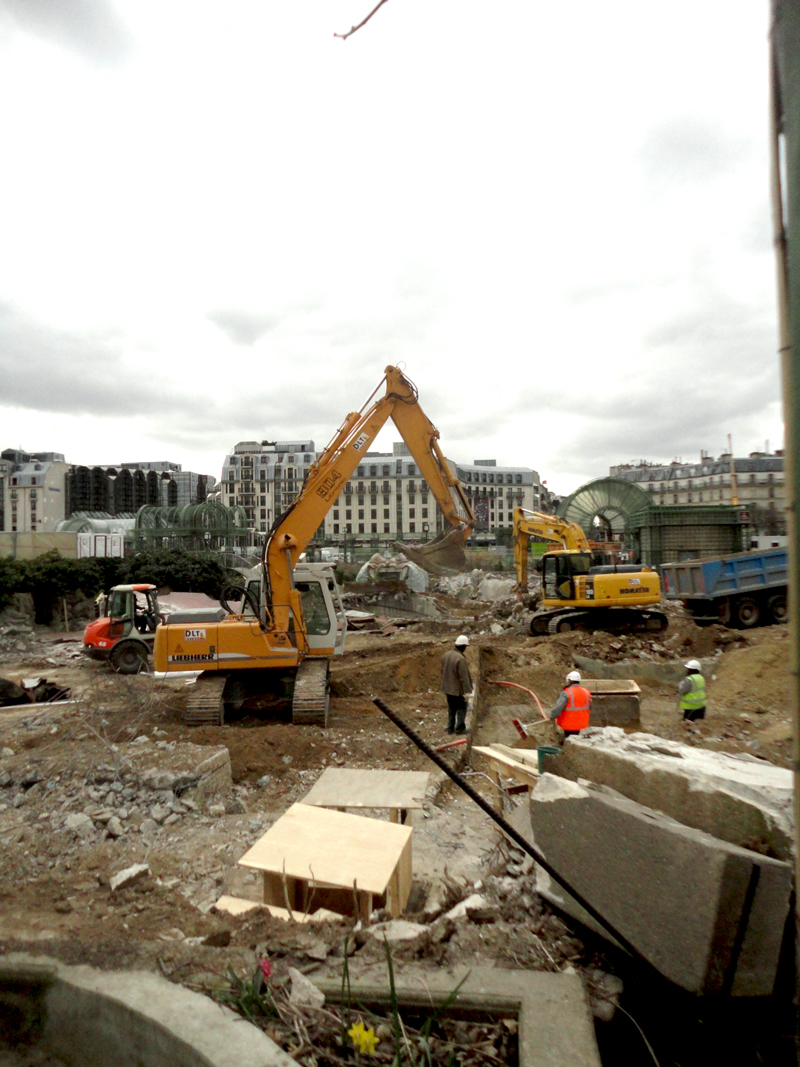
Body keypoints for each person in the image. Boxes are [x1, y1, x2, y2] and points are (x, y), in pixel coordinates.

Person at [544, 669, 592, 739]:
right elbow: (589, 707)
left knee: (568, 742)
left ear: (570, 680)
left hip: (569, 725)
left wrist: (552, 716)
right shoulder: (586, 692)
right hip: (582, 725)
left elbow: (558, 708)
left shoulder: (566, 693)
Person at [440, 635, 473, 735]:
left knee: (451, 708)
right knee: (462, 706)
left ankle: (450, 728)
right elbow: (464, 677)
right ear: (463, 646)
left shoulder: (446, 655)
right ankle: (459, 728)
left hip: (446, 687)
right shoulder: (460, 659)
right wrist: (468, 691)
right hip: (456, 689)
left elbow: (442, 671)